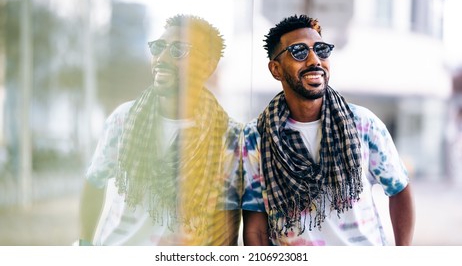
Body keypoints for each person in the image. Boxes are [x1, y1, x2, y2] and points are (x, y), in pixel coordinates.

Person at [241, 14, 415, 246]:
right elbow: (255, 224)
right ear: (276, 69)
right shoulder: (256, 136)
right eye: (299, 52)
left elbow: (399, 189)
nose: (314, 60)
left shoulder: (363, 123)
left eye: (321, 50)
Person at [79, 14, 242, 246]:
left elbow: (227, 221)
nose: (162, 58)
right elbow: (94, 180)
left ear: (207, 67)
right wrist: (84, 243)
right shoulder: (123, 119)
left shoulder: (230, 137)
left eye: (178, 50)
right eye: (158, 47)